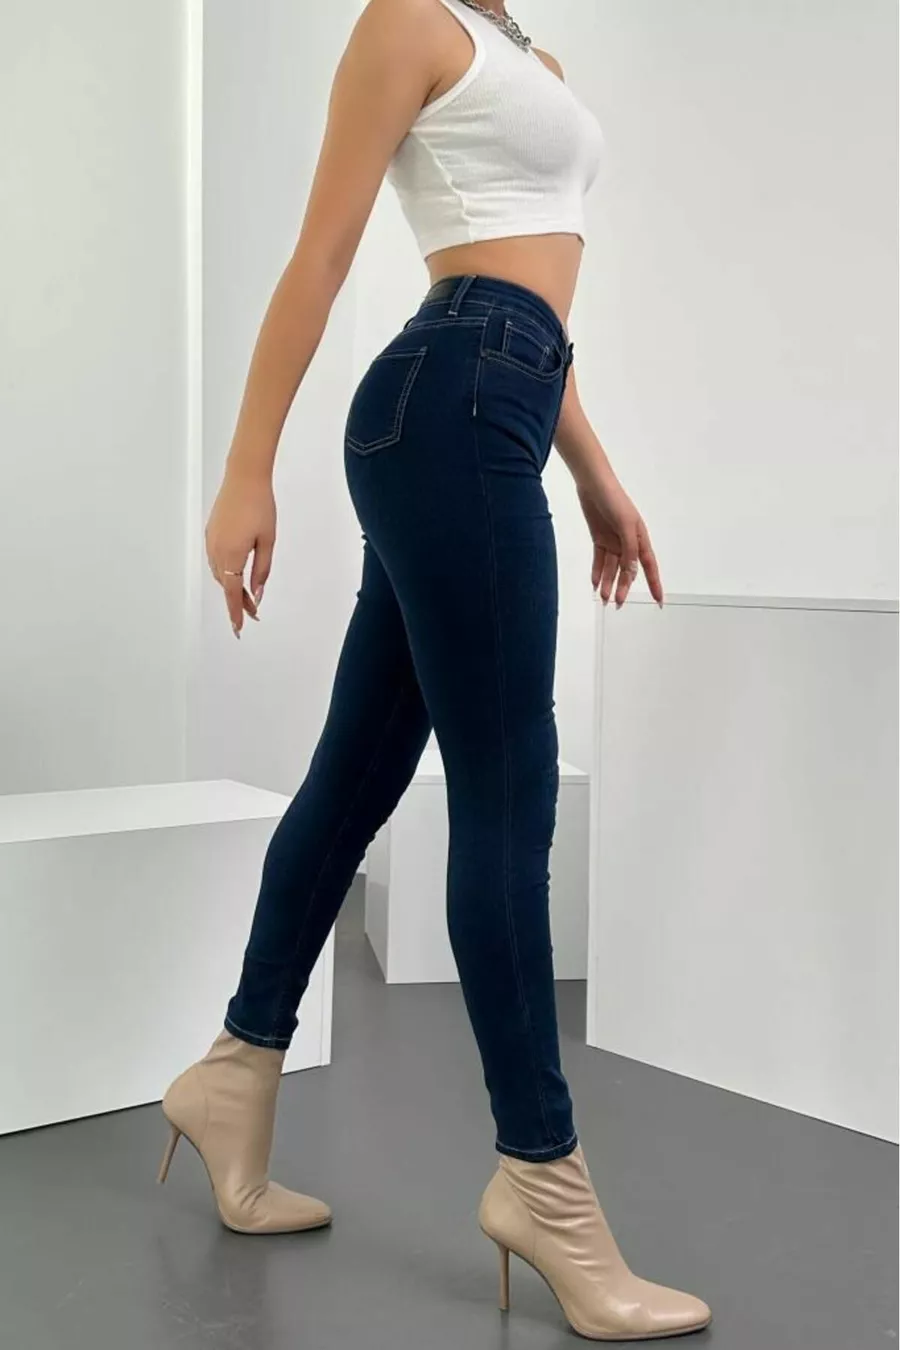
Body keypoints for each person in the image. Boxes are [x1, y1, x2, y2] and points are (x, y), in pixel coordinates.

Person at [158, 0, 711, 1339]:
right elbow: (324, 253)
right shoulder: (407, 18)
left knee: (356, 778)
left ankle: (233, 1073)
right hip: (451, 394)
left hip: (498, 397)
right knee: (508, 794)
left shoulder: (529, 56)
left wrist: (599, 476)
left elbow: (543, 301)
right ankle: (544, 1182)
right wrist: (244, 470)